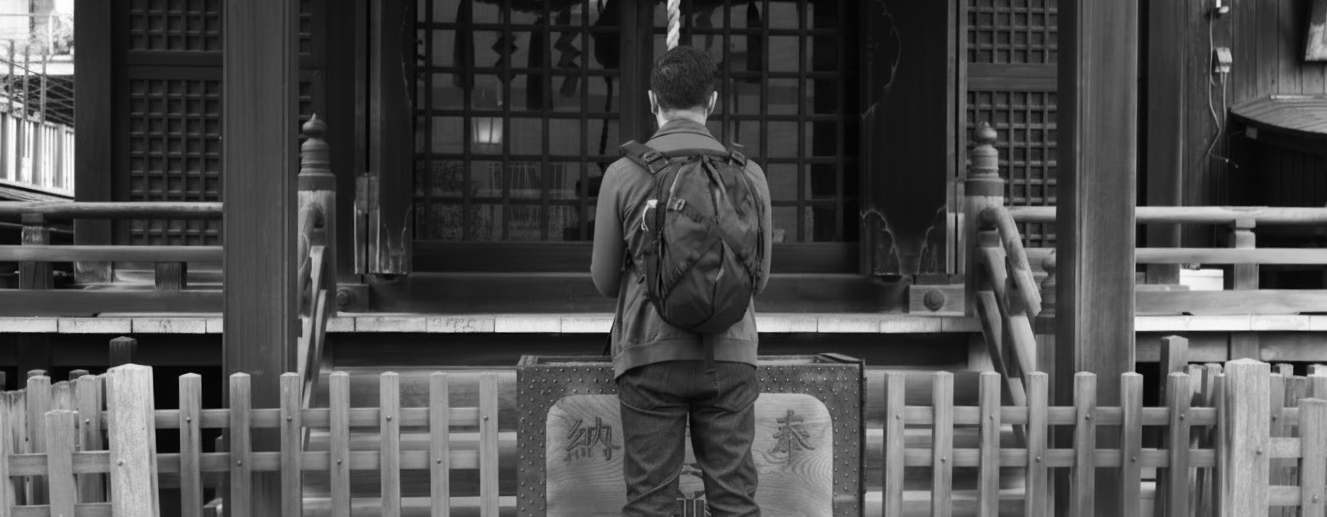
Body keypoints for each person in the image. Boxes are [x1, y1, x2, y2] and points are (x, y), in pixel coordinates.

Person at [591, 46, 773, 517]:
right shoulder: (749, 175)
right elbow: (759, 280)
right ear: (712, 102)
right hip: (731, 353)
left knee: (650, 504)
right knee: (735, 502)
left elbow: (605, 281)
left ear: (653, 100)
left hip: (649, 354)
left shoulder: (624, 174)